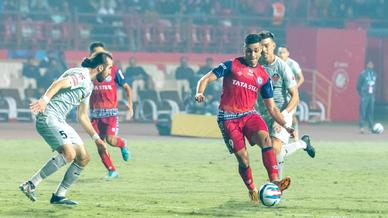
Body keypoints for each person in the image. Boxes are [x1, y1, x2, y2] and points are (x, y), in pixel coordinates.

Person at [195, 33, 293, 204]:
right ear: (244, 50)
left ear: (261, 50)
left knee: (266, 139)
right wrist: (199, 92)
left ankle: (275, 181)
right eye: (249, 51)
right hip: (228, 118)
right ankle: (252, 188)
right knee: (243, 158)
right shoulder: (231, 65)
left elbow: (271, 107)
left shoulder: (263, 76)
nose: (253, 55)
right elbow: (206, 78)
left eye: (256, 51)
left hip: (249, 114)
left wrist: (285, 124)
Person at [19, 51, 113, 205]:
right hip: (49, 116)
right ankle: (30, 185)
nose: (110, 72)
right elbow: (59, 83)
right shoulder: (82, 75)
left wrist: (97, 140)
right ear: (101, 67)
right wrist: (44, 100)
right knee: (69, 154)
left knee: (83, 157)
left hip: (60, 120)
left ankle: (59, 196)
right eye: (109, 68)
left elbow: (82, 116)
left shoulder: (88, 85)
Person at [258, 31, 315, 179]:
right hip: (263, 114)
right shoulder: (256, 66)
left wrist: (281, 118)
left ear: (273, 46)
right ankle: (303, 143)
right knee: (271, 150)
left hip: (282, 112)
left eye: (267, 46)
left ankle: (277, 188)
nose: (264, 49)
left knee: (274, 148)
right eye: (261, 46)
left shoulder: (283, 67)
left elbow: (296, 97)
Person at [88, 42, 133, 179]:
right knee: (100, 144)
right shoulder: (87, 72)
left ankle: (122, 144)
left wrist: (130, 106)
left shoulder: (113, 70)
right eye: (97, 54)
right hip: (95, 115)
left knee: (111, 141)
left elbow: (127, 87)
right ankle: (112, 170)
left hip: (111, 114)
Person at [278, 46, 304, 139]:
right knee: (278, 113)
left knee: (291, 116)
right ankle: (280, 135)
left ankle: (295, 134)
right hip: (280, 95)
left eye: (284, 52)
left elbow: (301, 78)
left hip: (291, 95)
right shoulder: (277, 63)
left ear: (288, 53)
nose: (281, 54)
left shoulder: (293, 64)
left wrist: (294, 88)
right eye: (280, 52)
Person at [357, 60, 377, 134]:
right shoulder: (363, 74)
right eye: (369, 64)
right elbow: (358, 85)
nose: (370, 65)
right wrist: (362, 93)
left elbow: (374, 84)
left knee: (371, 111)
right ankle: (361, 127)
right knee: (363, 111)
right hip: (365, 95)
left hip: (371, 95)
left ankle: (370, 128)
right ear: (367, 65)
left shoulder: (374, 74)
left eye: (372, 64)